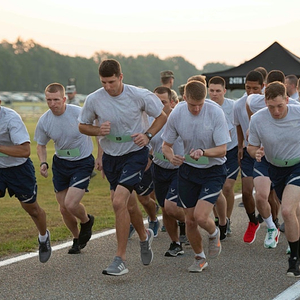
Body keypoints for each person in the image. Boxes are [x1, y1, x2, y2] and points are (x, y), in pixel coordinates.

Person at [78, 59, 167, 276]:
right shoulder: (94, 99)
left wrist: (147, 136)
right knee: (128, 204)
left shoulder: (139, 95)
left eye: (111, 82)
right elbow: (82, 125)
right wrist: (97, 131)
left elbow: (162, 116)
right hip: (111, 156)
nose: (107, 87)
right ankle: (145, 236)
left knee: (118, 201)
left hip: (135, 154)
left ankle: (120, 259)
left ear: (121, 77)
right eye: (103, 82)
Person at [162, 80, 230, 273]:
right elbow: (166, 145)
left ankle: (214, 232)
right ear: (184, 99)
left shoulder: (215, 112)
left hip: (213, 171)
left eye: (200, 103)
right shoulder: (177, 114)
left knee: (201, 216)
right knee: (190, 220)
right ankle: (199, 258)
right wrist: (170, 157)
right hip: (188, 171)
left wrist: (203, 151)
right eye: (193, 105)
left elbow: (223, 150)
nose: (197, 108)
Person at [35, 83, 95, 255]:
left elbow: (96, 130)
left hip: (82, 162)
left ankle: (86, 221)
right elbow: (41, 145)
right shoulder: (45, 120)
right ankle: (76, 238)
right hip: (61, 163)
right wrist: (43, 162)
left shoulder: (78, 113)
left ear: (64, 99)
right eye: (48, 100)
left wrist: (99, 157)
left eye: (56, 100)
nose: (52, 104)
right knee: (63, 208)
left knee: (70, 203)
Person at [248, 81, 300, 277]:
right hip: (275, 168)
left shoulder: (298, 113)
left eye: (280, 105)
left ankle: (294, 259)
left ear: (287, 100)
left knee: (287, 211)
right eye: (271, 107)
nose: (276, 111)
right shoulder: (258, 119)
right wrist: (256, 153)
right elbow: (252, 146)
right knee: (295, 212)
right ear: (265, 103)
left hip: (298, 165)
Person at [0, 100, 51, 263]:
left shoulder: (11, 118)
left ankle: (44, 238)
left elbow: (25, 151)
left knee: (32, 209)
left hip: (18, 170)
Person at [151, 86, 186, 256]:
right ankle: (175, 243)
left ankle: (191, 222)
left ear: (172, 102)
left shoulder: (180, 118)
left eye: (163, 102)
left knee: (171, 207)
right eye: (156, 102)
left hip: (179, 169)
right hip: (158, 168)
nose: (159, 106)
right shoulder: (151, 119)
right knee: (165, 208)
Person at [233, 70, 264, 244]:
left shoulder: (268, 103)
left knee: (266, 194)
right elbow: (238, 126)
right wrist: (239, 146)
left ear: (263, 87)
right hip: (247, 151)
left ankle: (272, 221)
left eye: (255, 88)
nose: (251, 92)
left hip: (266, 153)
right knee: (246, 191)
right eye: (247, 88)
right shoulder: (239, 104)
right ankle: (253, 222)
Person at [208, 76, 239, 236]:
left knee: (227, 187)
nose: (214, 94)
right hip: (213, 152)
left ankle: (226, 219)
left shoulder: (233, 106)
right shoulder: (205, 107)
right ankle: (217, 218)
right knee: (215, 189)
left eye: (218, 91)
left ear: (224, 91)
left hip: (231, 151)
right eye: (211, 90)